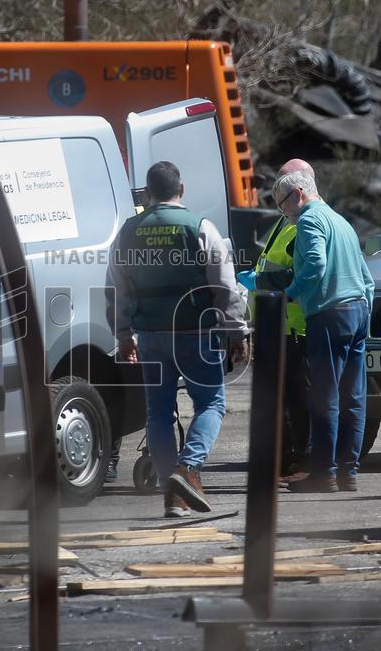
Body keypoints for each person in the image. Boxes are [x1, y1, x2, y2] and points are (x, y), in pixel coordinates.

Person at [107, 161, 249, 517]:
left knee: (158, 415)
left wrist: (124, 337)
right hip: (195, 333)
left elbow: (118, 292)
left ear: (148, 194)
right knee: (211, 404)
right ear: (181, 190)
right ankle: (188, 470)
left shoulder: (127, 232)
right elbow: (225, 287)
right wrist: (238, 333)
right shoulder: (200, 227)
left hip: (151, 337)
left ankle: (174, 494)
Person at [273, 167, 374, 493]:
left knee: (325, 396)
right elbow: (366, 277)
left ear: (298, 194)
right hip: (356, 311)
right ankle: (348, 472)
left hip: (330, 314)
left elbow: (315, 264)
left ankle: (324, 472)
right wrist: (364, 314)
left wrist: (291, 292)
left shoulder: (309, 220)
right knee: (353, 397)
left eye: (282, 203)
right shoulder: (341, 222)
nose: (283, 212)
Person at [254, 159, 314, 481]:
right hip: (276, 323)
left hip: (297, 326)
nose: (277, 196)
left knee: (298, 399)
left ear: (298, 189)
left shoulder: (304, 223)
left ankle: (302, 461)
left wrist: (261, 281)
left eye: (282, 188)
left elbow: (301, 273)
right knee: (280, 399)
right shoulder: (286, 219)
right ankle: (285, 459)